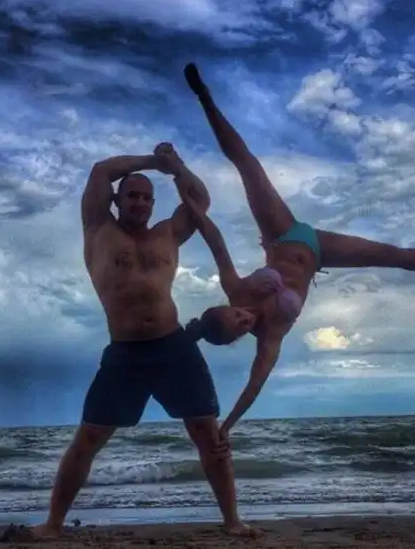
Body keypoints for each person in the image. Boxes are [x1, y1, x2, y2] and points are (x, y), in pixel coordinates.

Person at [180, 62, 415, 439]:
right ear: (238, 338)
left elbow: (216, 243)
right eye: (240, 326)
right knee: (395, 257)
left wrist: (193, 209)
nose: (244, 318)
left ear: (228, 306)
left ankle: (204, 98)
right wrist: (227, 427)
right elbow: (255, 385)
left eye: (236, 314)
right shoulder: (271, 336)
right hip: (320, 251)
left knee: (248, 166)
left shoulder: (237, 289)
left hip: (282, 234)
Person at [32, 143, 253, 538]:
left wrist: (176, 167)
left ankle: (233, 521)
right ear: (117, 200)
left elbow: (200, 199)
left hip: (174, 347)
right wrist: (153, 162)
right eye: (132, 195)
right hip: (125, 354)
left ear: (153, 204)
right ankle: (52, 524)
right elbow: (101, 170)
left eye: (147, 198)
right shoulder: (98, 229)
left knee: (206, 432)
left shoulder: (168, 233)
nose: (139, 203)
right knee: (89, 437)